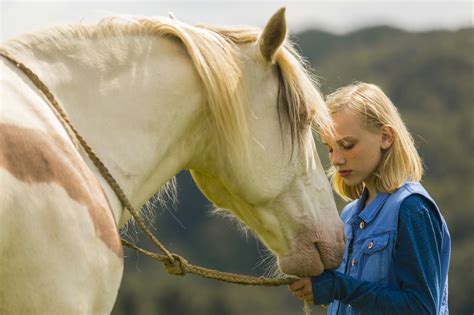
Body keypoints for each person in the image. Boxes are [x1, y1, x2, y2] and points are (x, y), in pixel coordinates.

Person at [289, 82, 450, 314]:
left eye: (347, 145)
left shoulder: (412, 208)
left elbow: (422, 308)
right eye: (330, 148)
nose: (336, 160)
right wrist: (320, 284)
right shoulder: (348, 214)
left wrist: (339, 287)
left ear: (385, 137)